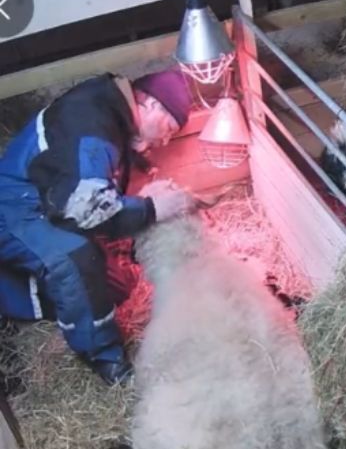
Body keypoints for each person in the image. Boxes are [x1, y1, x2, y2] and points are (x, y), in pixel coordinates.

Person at [0, 69, 198, 385]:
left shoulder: (110, 114)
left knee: (118, 286)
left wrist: (143, 196)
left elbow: (89, 185)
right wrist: (151, 208)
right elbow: (85, 208)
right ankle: (106, 360)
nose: (164, 140)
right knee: (76, 259)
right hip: (15, 207)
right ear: (148, 103)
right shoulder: (93, 122)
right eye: (169, 129)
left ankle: (31, 302)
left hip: (47, 203)